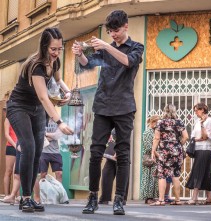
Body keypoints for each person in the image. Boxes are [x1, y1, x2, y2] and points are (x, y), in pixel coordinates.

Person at [72, 10, 144, 215]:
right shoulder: (105, 49)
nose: (114, 35)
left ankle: (119, 199)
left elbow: (128, 62)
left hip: (124, 107)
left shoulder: (136, 47)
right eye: (111, 32)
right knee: (95, 153)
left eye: (117, 31)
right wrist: (80, 54)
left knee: (122, 154)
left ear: (126, 26)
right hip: (103, 105)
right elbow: (89, 65)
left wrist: (105, 46)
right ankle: (93, 197)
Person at [6, 27, 73, 213]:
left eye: (59, 49)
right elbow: (44, 97)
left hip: (37, 110)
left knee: (36, 151)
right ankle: (26, 197)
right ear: (44, 46)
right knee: (28, 146)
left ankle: (28, 198)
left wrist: (67, 92)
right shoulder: (36, 65)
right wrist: (60, 122)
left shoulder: (55, 62)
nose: (56, 53)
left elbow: (58, 81)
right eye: (53, 49)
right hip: (19, 107)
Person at [150, 104, 189, 206]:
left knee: (162, 175)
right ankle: (177, 200)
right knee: (175, 175)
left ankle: (161, 200)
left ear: (164, 111)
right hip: (177, 151)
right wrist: (178, 144)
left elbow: (157, 138)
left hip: (164, 151)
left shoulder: (160, 122)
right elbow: (186, 136)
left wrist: (153, 151)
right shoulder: (179, 122)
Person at [185, 103, 211, 205]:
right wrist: (198, 139)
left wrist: (202, 125)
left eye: (197, 110)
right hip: (199, 149)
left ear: (202, 110)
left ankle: (194, 197)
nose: (195, 112)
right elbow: (193, 136)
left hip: (206, 149)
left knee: (199, 172)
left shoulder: (209, 120)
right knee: (204, 171)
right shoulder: (197, 121)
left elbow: (206, 136)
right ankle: (209, 197)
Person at [33, 119, 67, 204]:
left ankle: (60, 196)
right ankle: (41, 197)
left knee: (59, 174)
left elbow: (57, 136)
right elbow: (39, 135)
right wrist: (50, 136)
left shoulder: (59, 121)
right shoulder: (41, 119)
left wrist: (45, 134)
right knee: (42, 175)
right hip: (43, 152)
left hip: (56, 152)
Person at [98, 129, 129, 205]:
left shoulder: (122, 122)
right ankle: (105, 197)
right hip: (110, 154)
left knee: (122, 174)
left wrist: (119, 151)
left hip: (121, 152)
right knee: (106, 174)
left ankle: (121, 197)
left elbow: (125, 136)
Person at [140, 115, 160, 204]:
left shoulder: (153, 131)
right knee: (149, 178)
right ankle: (148, 198)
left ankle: (151, 196)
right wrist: (157, 154)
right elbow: (149, 147)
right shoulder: (147, 132)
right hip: (150, 157)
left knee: (153, 178)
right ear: (153, 122)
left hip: (153, 157)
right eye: (157, 122)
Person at [2, 116, 18, 200]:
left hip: (22, 146)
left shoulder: (23, 117)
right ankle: (6, 195)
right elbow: (6, 134)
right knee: (8, 171)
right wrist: (15, 146)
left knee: (18, 172)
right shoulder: (8, 119)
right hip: (11, 146)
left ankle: (17, 196)